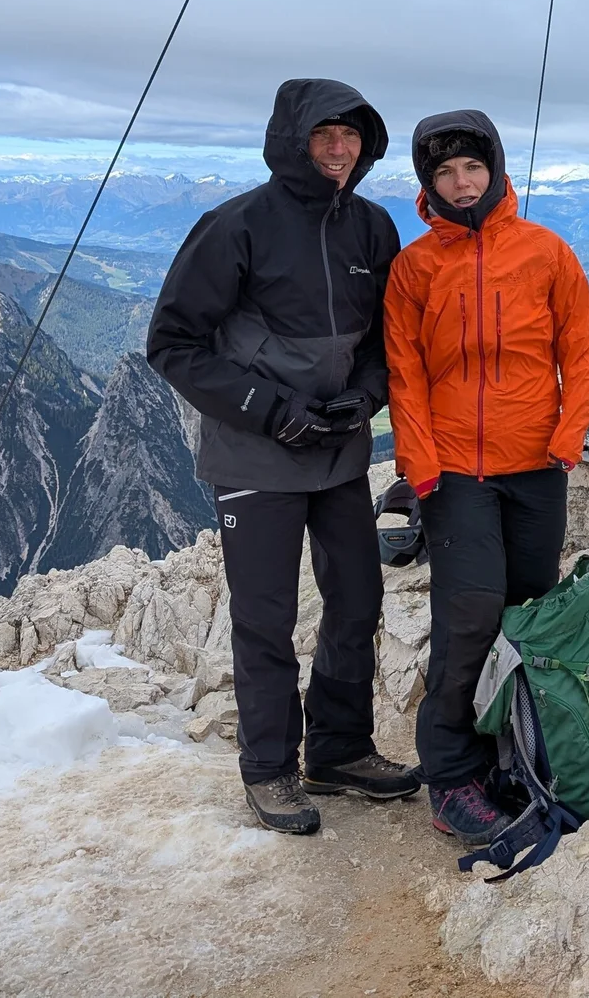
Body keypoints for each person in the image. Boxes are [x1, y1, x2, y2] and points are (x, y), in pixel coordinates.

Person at [146, 78, 418, 836]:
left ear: (366, 145)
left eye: (351, 135)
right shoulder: (236, 225)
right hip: (254, 456)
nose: (338, 148)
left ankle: (339, 750)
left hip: (337, 453)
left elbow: (382, 342)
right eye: (323, 134)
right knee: (265, 617)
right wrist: (267, 409)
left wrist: (364, 396)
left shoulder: (371, 227)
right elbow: (172, 343)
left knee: (358, 600)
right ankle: (269, 766)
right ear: (292, 139)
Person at [383, 111, 589, 843]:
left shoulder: (546, 254)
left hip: (537, 464)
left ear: (495, 169)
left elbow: (581, 345)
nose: (460, 181)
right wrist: (419, 464)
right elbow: (405, 375)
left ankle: (520, 754)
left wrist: (568, 437)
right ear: (429, 186)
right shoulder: (415, 268)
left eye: (471, 167)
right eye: (444, 173)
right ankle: (451, 774)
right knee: (470, 615)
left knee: (529, 612)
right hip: (456, 473)